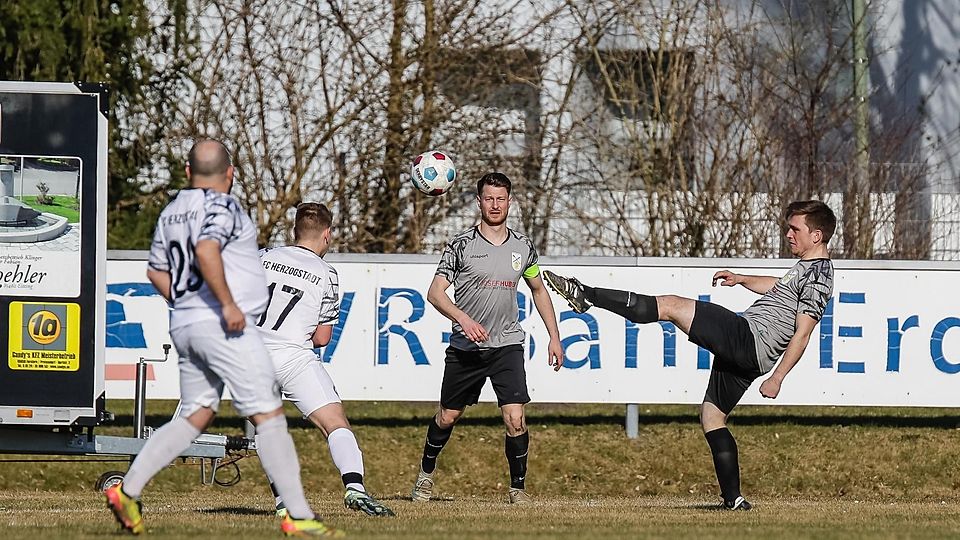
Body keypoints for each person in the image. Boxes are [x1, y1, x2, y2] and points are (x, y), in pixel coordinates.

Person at [103, 139, 341, 537]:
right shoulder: (225, 210)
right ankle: (296, 516)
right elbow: (211, 253)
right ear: (229, 174)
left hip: (190, 325)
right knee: (268, 417)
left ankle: (128, 489)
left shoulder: (172, 214)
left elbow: (156, 273)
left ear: (187, 173)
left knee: (193, 417)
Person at [541, 200, 836, 511]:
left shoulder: (820, 274)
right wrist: (742, 278)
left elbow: (803, 333)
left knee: (669, 305)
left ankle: (587, 295)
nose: (788, 233)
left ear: (816, 236)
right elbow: (780, 288)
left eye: (795, 229)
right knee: (712, 417)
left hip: (748, 338)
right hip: (752, 355)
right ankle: (733, 499)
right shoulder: (808, 268)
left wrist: (778, 377)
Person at [411, 172, 564, 505]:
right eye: (489, 198)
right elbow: (435, 293)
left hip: (506, 345)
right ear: (479, 202)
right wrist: (462, 318)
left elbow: (538, 289)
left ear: (510, 201)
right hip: (466, 349)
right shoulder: (461, 245)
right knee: (447, 416)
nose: (495, 205)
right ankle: (425, 474)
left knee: (515, 417)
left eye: (501, 198)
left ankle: (518, 489)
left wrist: (554, 336)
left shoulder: (523, 247)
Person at [257, 202, 394, 518]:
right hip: (294, 358)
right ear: (328, 235)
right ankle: (355, 487)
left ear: (294, 232)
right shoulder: (327, 274)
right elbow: (321, 338)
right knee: (334, 423)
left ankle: (283, 503)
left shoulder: (263, 258)